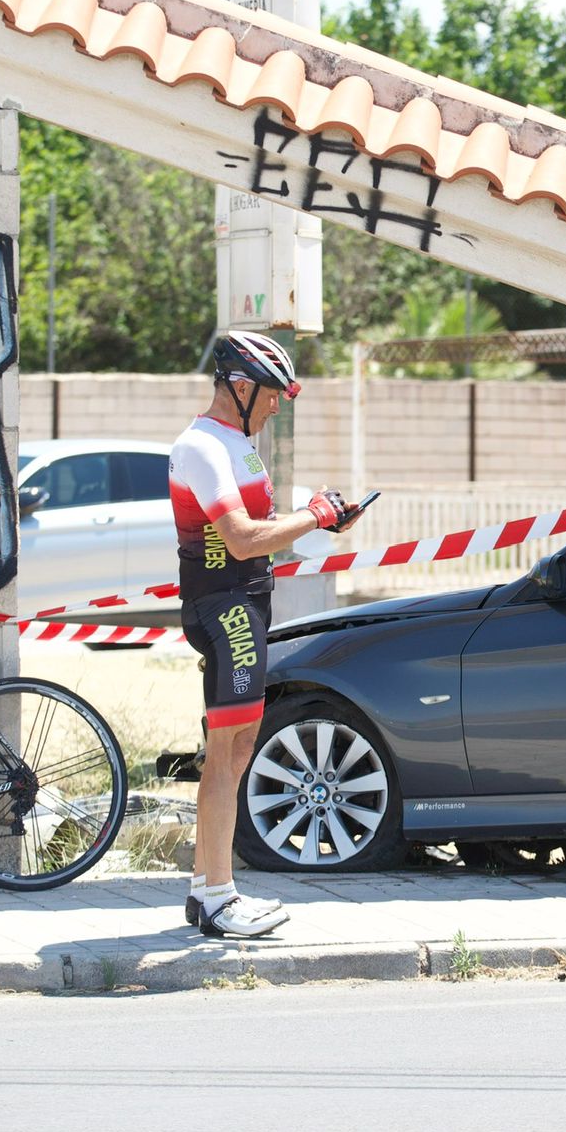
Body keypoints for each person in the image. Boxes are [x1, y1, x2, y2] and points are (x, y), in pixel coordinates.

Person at [170, 330, 366, 937]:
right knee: (228, 754)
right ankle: (221, 897)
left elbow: (259, 525)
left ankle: (207, 889)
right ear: (243, 386)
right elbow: (240, 539)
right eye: (274, 393)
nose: (279, 404)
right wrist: (315, 517)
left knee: (234, 751)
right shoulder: (204, 446)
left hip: (246, 603)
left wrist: (318, 516)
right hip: (225, 606)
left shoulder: (239, 444)